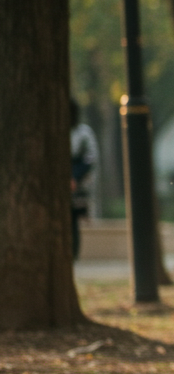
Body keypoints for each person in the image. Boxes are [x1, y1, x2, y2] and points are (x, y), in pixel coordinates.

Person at [70, 100, 98, 260]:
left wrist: (74, 177)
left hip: (76, 187)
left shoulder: (83, 133)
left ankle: (73, 257)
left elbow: (90, 158)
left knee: (73, 221)